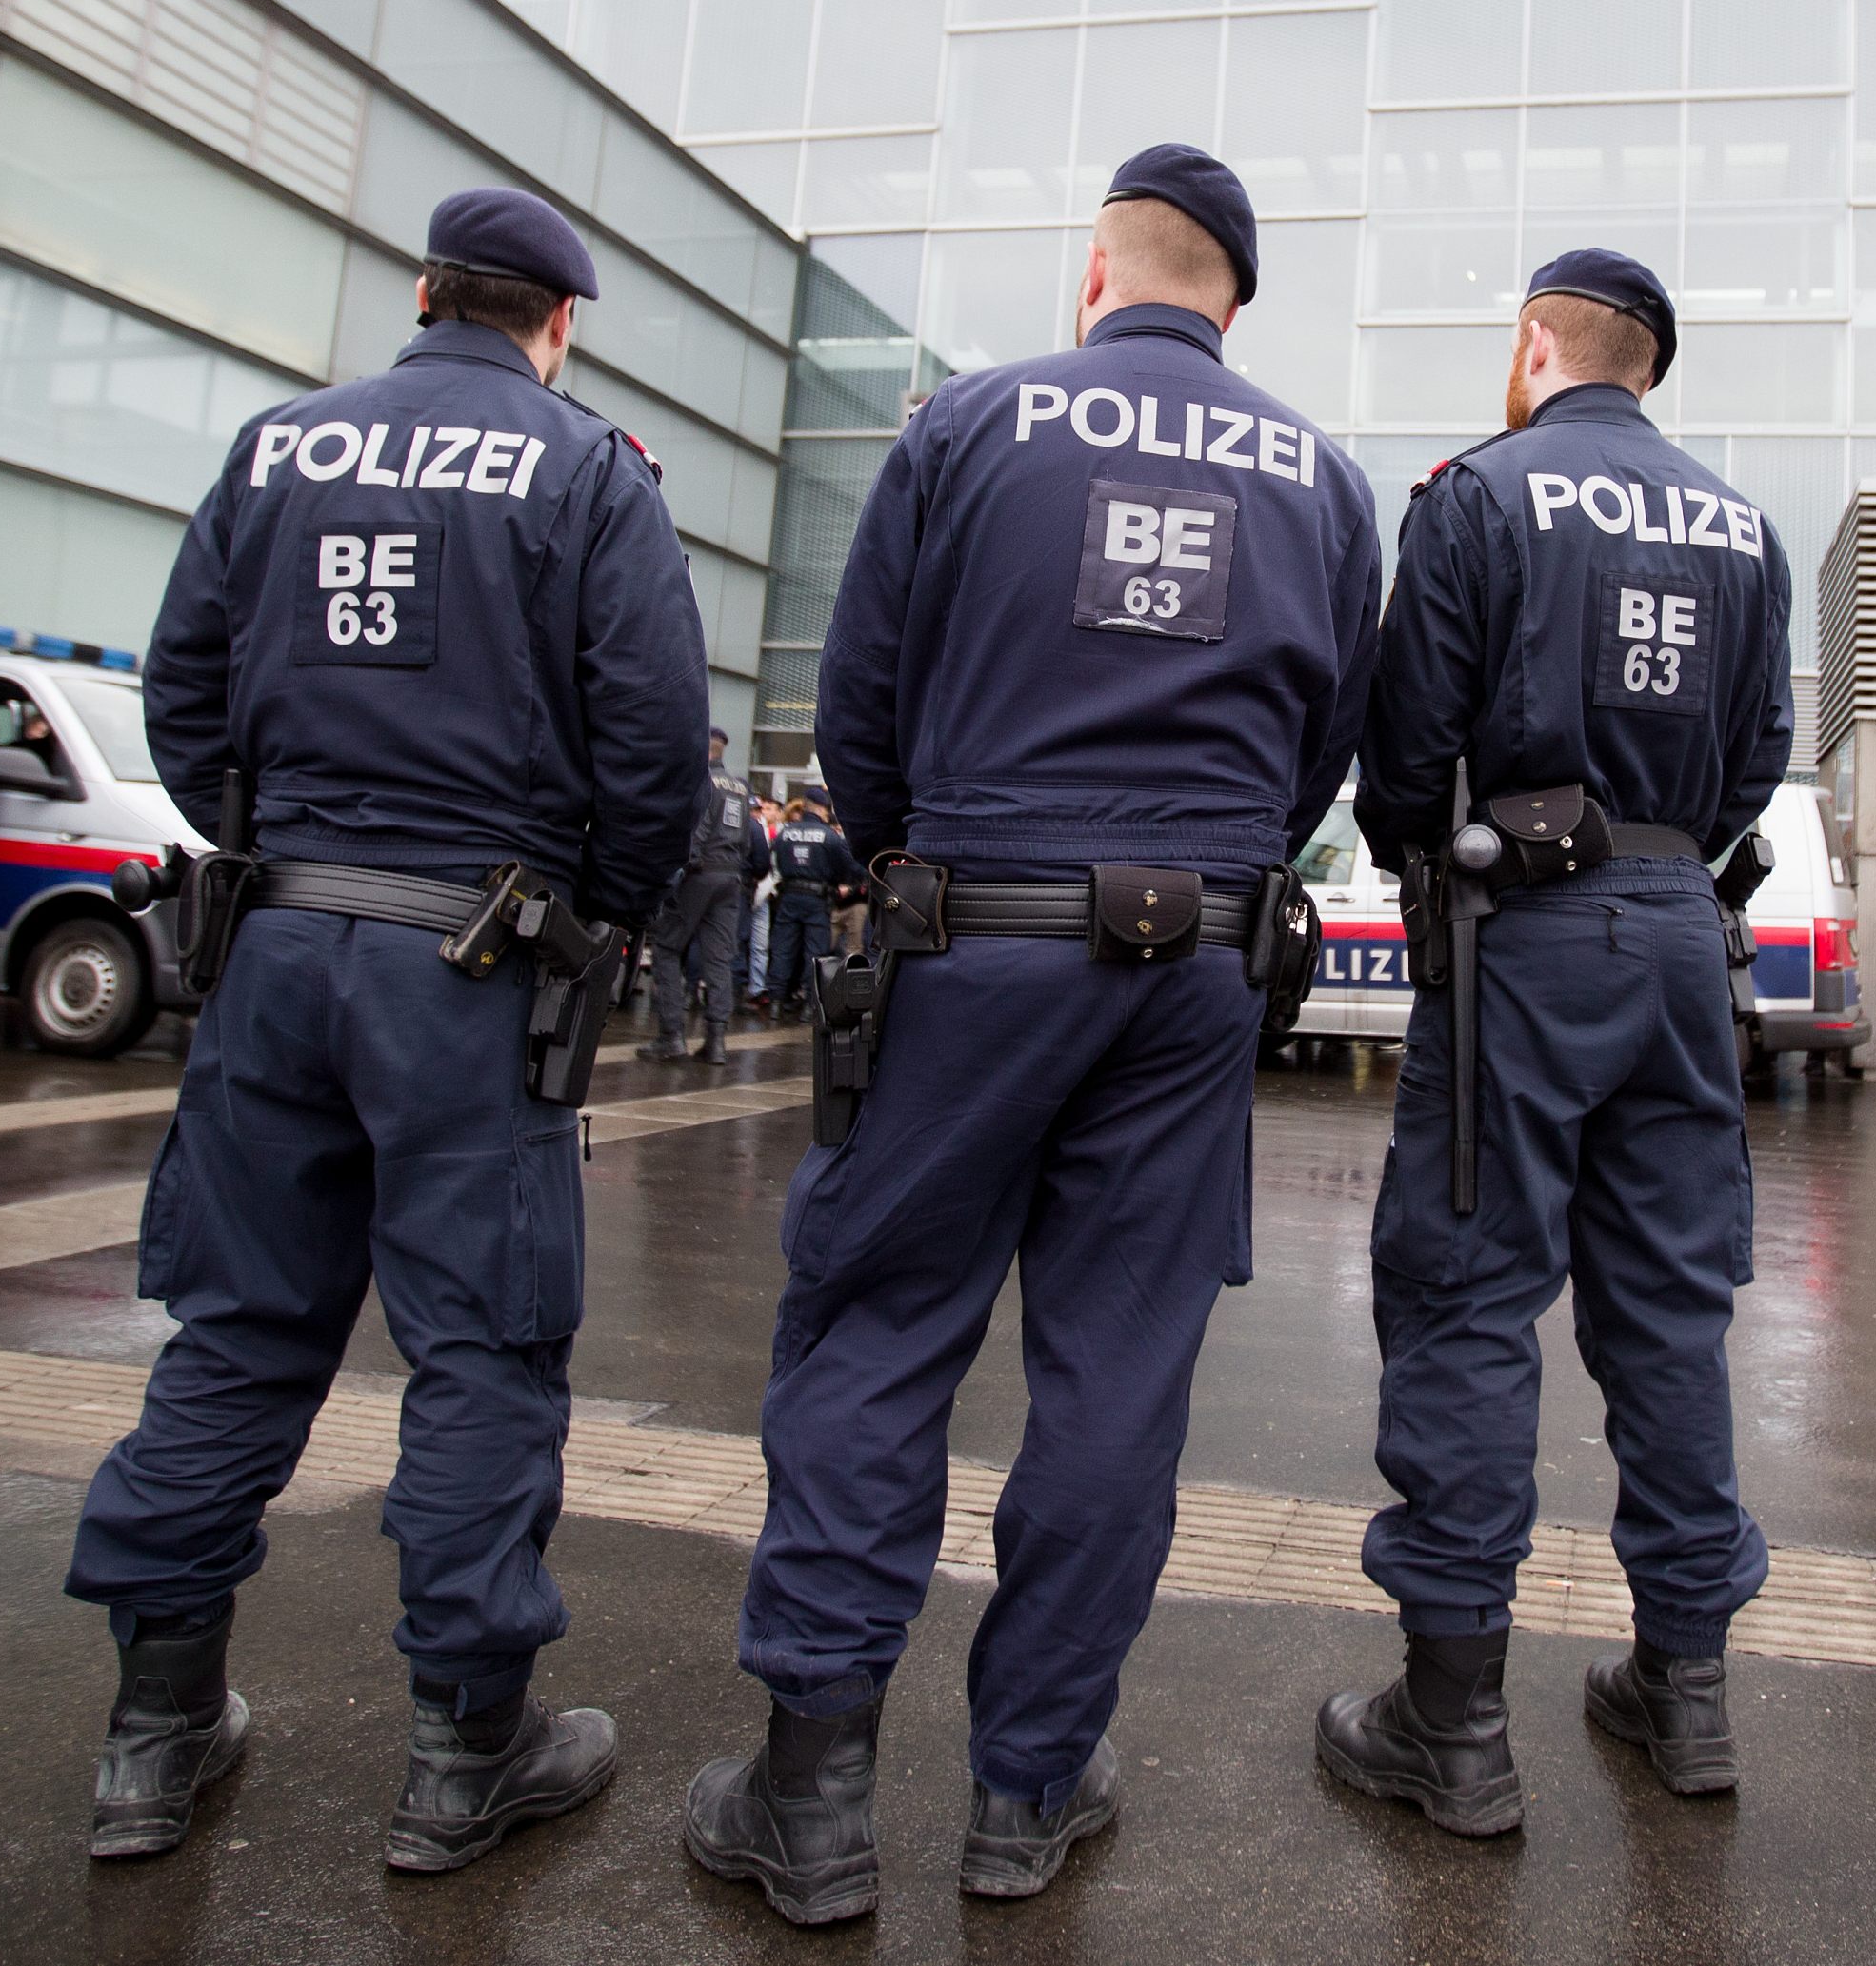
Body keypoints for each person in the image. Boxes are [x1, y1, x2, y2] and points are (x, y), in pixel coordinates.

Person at [684, 146, 1380, 1924]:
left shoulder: (970, 422)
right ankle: (1029, 1789)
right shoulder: (1320, 475)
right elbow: (1320, 759)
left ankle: (813, 1793)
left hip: (970, 938)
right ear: (1233, 296)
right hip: (1199, 964)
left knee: (878, 1331)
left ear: (1099, 273)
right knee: (1116, 1374)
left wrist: (939, 858)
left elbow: (860, 714)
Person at [63, 189, 706, 1872]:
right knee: (481, 1350)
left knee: (238, 1329)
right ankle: (461, 1752)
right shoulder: (584, 468)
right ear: (557, 323)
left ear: (423, 295)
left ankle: (152, 1733)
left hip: (274, 945)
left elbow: (184, 692)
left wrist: (281, 849)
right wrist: (594, 914)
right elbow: (653, 747)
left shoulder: (277, 449)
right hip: (475, 964)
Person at [1317, 248, 1792, 1837]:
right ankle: (1688, 1692)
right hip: (1676, 937)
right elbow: (1755, 759)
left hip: (1519, 928)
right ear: (1651, 365)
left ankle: (1449, 1724)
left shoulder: (1480, 492)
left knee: (1465, 1297)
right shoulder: (1741, 523)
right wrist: (1661, 858)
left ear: (1538, 347)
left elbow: (1406, 741)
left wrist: (1428, 860)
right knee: (1668, 1310)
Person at [642, 729, 757, 1063]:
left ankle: (671, 1035)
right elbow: (748, 842)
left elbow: (698, 831)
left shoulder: (703, 781)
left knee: (666, 947)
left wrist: (680, 869)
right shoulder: (739, 787)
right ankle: (716, 1041)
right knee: (719, 957)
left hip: (700, 874)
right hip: (730, 876)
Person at [760, 789, 860, 1023]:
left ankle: (776, 1000)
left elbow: (771, 862)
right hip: (817, 899)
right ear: (821, 808)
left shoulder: (785, 834)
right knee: (814, 952)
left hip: (789, 896)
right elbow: (850, 868)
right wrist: (842, 884)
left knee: (783, 948)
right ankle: (809, 1004)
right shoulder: (830, 836)